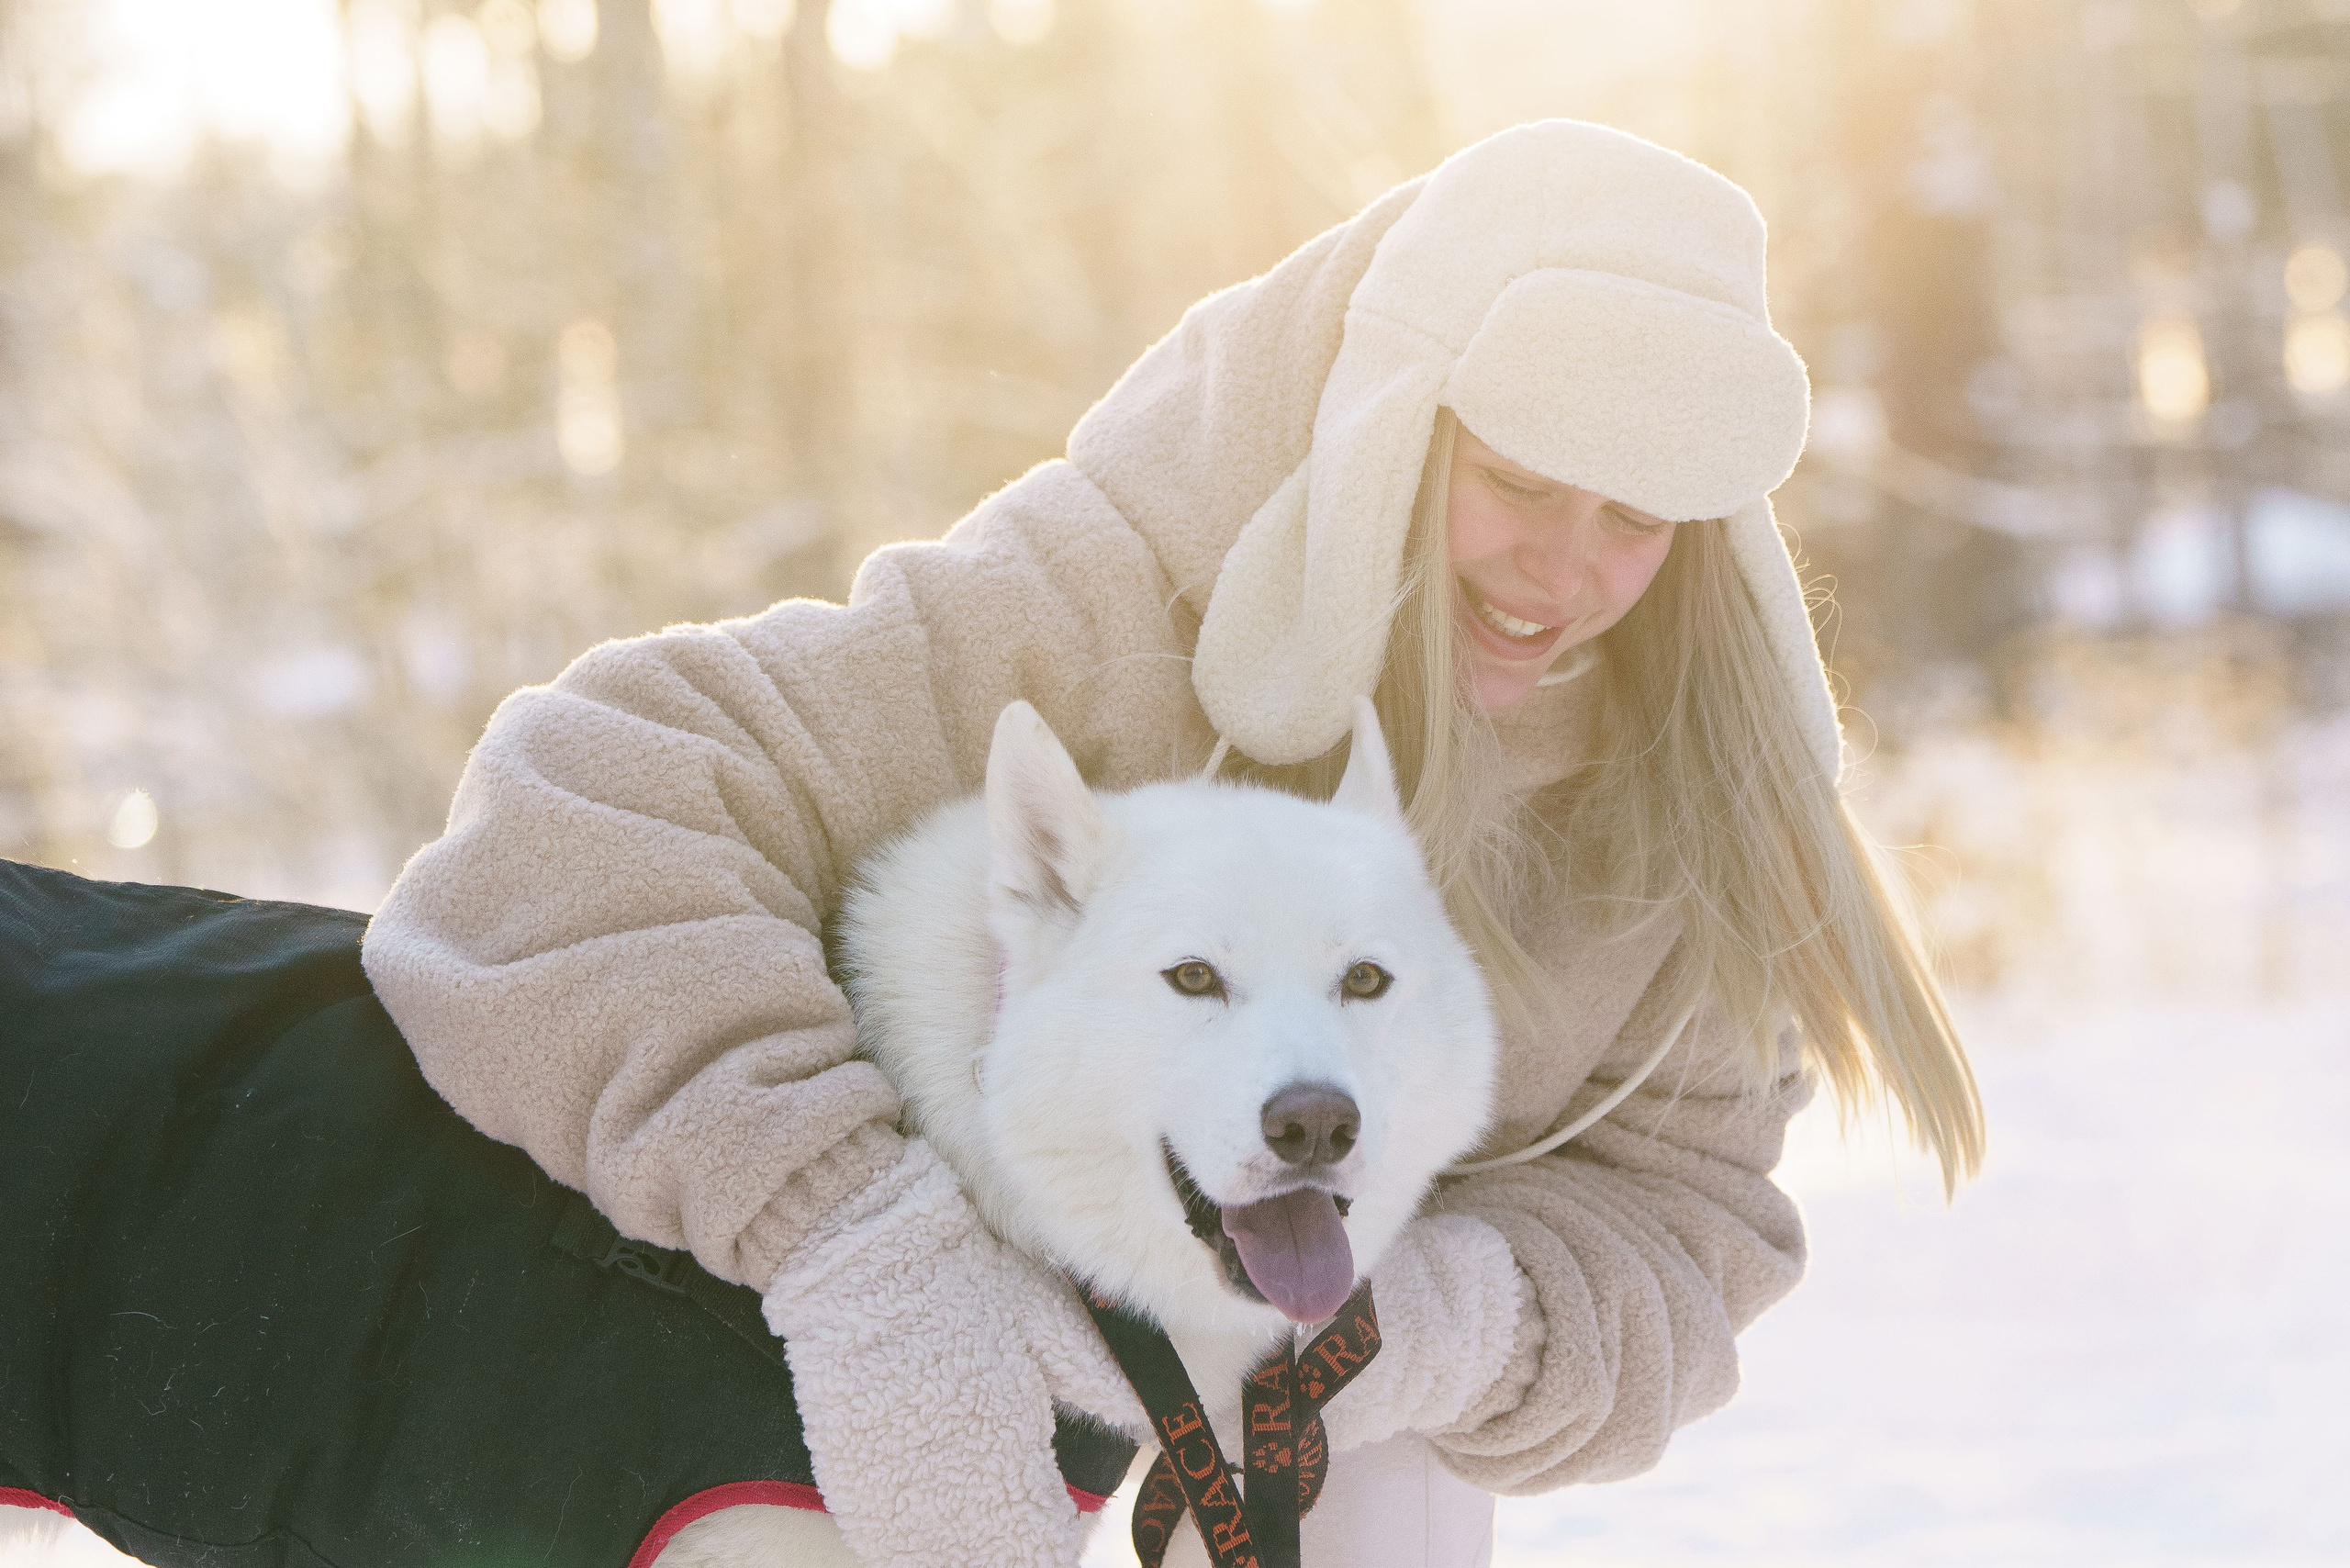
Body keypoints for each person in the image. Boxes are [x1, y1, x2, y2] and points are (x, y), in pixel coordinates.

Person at [362, 120, 1984, 1568]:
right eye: (1518, 483)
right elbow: (582, 804)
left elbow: (1686, 1220)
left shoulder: (1683, 780)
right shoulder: (1102, 601)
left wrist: (1416, 1325)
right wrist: (858, 1237)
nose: (1564, 574)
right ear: (1399, 424)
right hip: (906, 1350)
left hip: (1319, 1402)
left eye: (1635, 519)